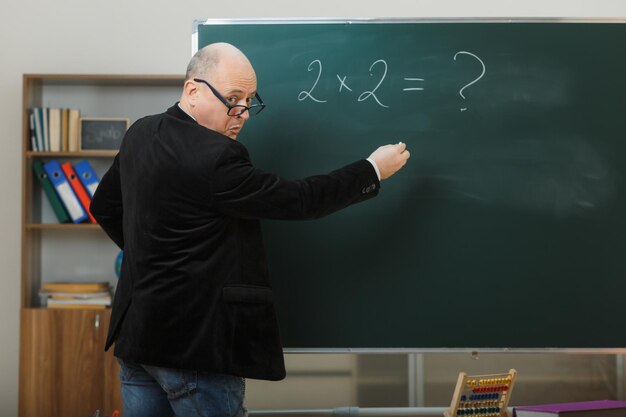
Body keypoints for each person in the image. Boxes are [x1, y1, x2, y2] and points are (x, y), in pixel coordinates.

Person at [90, 42, 410, 417]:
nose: (241, 113)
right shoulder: (216, 157)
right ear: (193, 91)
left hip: (139, 338)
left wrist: (151, 259)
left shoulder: (140, 134)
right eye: (232, 99)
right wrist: (371, 170)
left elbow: (104, 207)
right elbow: (299, 200)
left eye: (249, 101)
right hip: (196, 345)